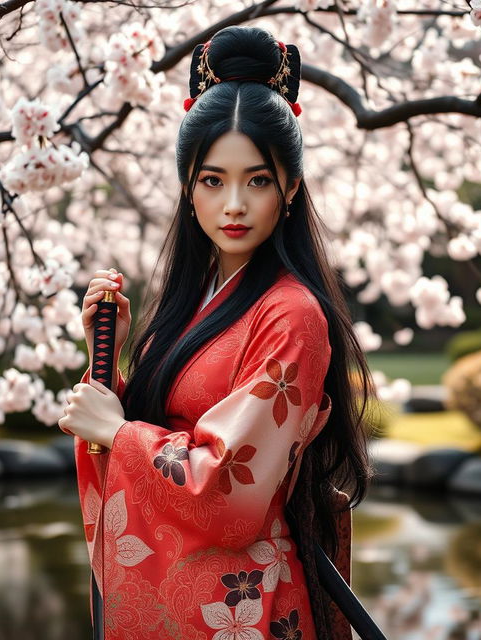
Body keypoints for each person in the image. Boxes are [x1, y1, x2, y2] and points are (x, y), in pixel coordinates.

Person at [60, 24, 375, 640]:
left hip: (242, 611)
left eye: (257, 180)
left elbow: (230, 493)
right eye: (213, 180)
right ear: (188, 187)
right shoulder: (190, 300)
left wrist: (117, 432)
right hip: (170, 598)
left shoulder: (292, 315)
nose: (234, 204)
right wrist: (112, 365)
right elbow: (147, 428)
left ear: (289, 188)